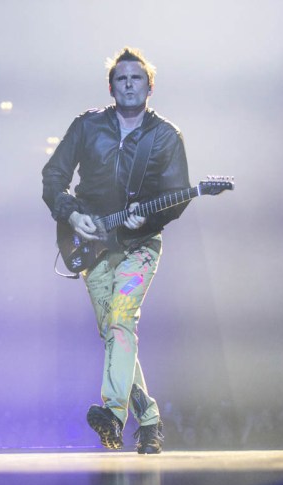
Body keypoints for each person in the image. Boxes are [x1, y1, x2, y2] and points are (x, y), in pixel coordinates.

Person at [41, 47, 191, 453]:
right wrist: (71, 214)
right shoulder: (86, 126)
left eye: (136, 78)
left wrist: (150, 219)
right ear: (111, 87)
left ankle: (112, 413)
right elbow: (53, 175)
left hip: (140, 247)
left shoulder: (166, 136)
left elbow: (178, 195)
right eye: (121, 79)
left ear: (149, 86)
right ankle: (150, 420)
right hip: (92, 247)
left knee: (122, 320)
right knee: (114, 335)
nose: (128, 85)